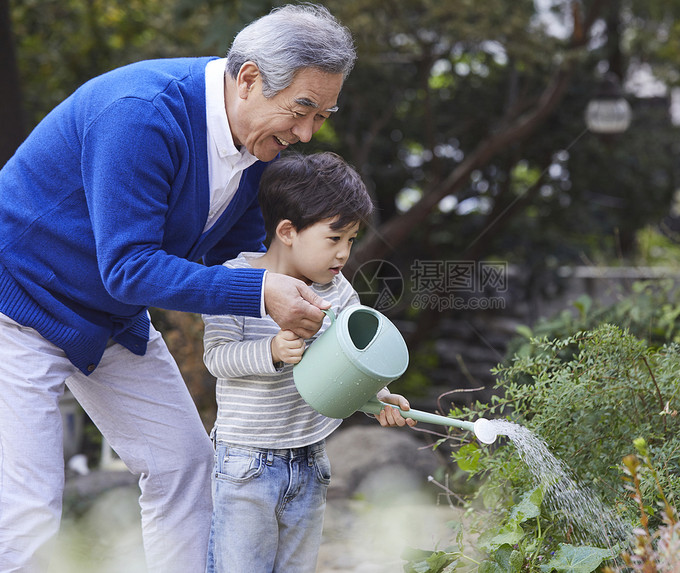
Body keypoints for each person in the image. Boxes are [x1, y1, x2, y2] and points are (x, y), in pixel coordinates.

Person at [0, 5, 408, 572]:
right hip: (19, 307)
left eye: (324, 113)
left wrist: (336, 349)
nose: (308, 132)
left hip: (111, 318)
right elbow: (131, 268)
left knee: (185, 462)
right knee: (27, 508)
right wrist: (263, 293)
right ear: (248, 80)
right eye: (302, 109)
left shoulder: (261, 151)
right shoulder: (141, 116)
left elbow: (234, 261)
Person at [202, 151, 416, 572]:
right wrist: (271, 352)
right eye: (334, 239)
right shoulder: (234, 280)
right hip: (246, 464)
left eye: (351, 240)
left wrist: (380, 398)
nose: (343, 254)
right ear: (288, 231)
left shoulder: (338, 292)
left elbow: (352, 364)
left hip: (310, 458)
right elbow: (215, 358)